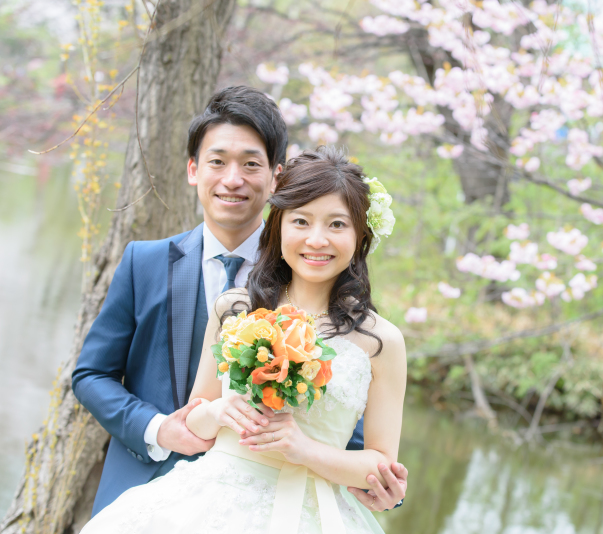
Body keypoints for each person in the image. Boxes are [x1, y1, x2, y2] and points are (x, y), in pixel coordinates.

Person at [72, 86, 407, 518]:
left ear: (274, 180)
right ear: (194, 169)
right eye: (217, 161)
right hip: (158, 496)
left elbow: (348, 424)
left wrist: (382, 485)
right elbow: (91, 374)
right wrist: (163, 430)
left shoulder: (367, 331)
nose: (233, 179)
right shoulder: (154, 266)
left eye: (250, 164)